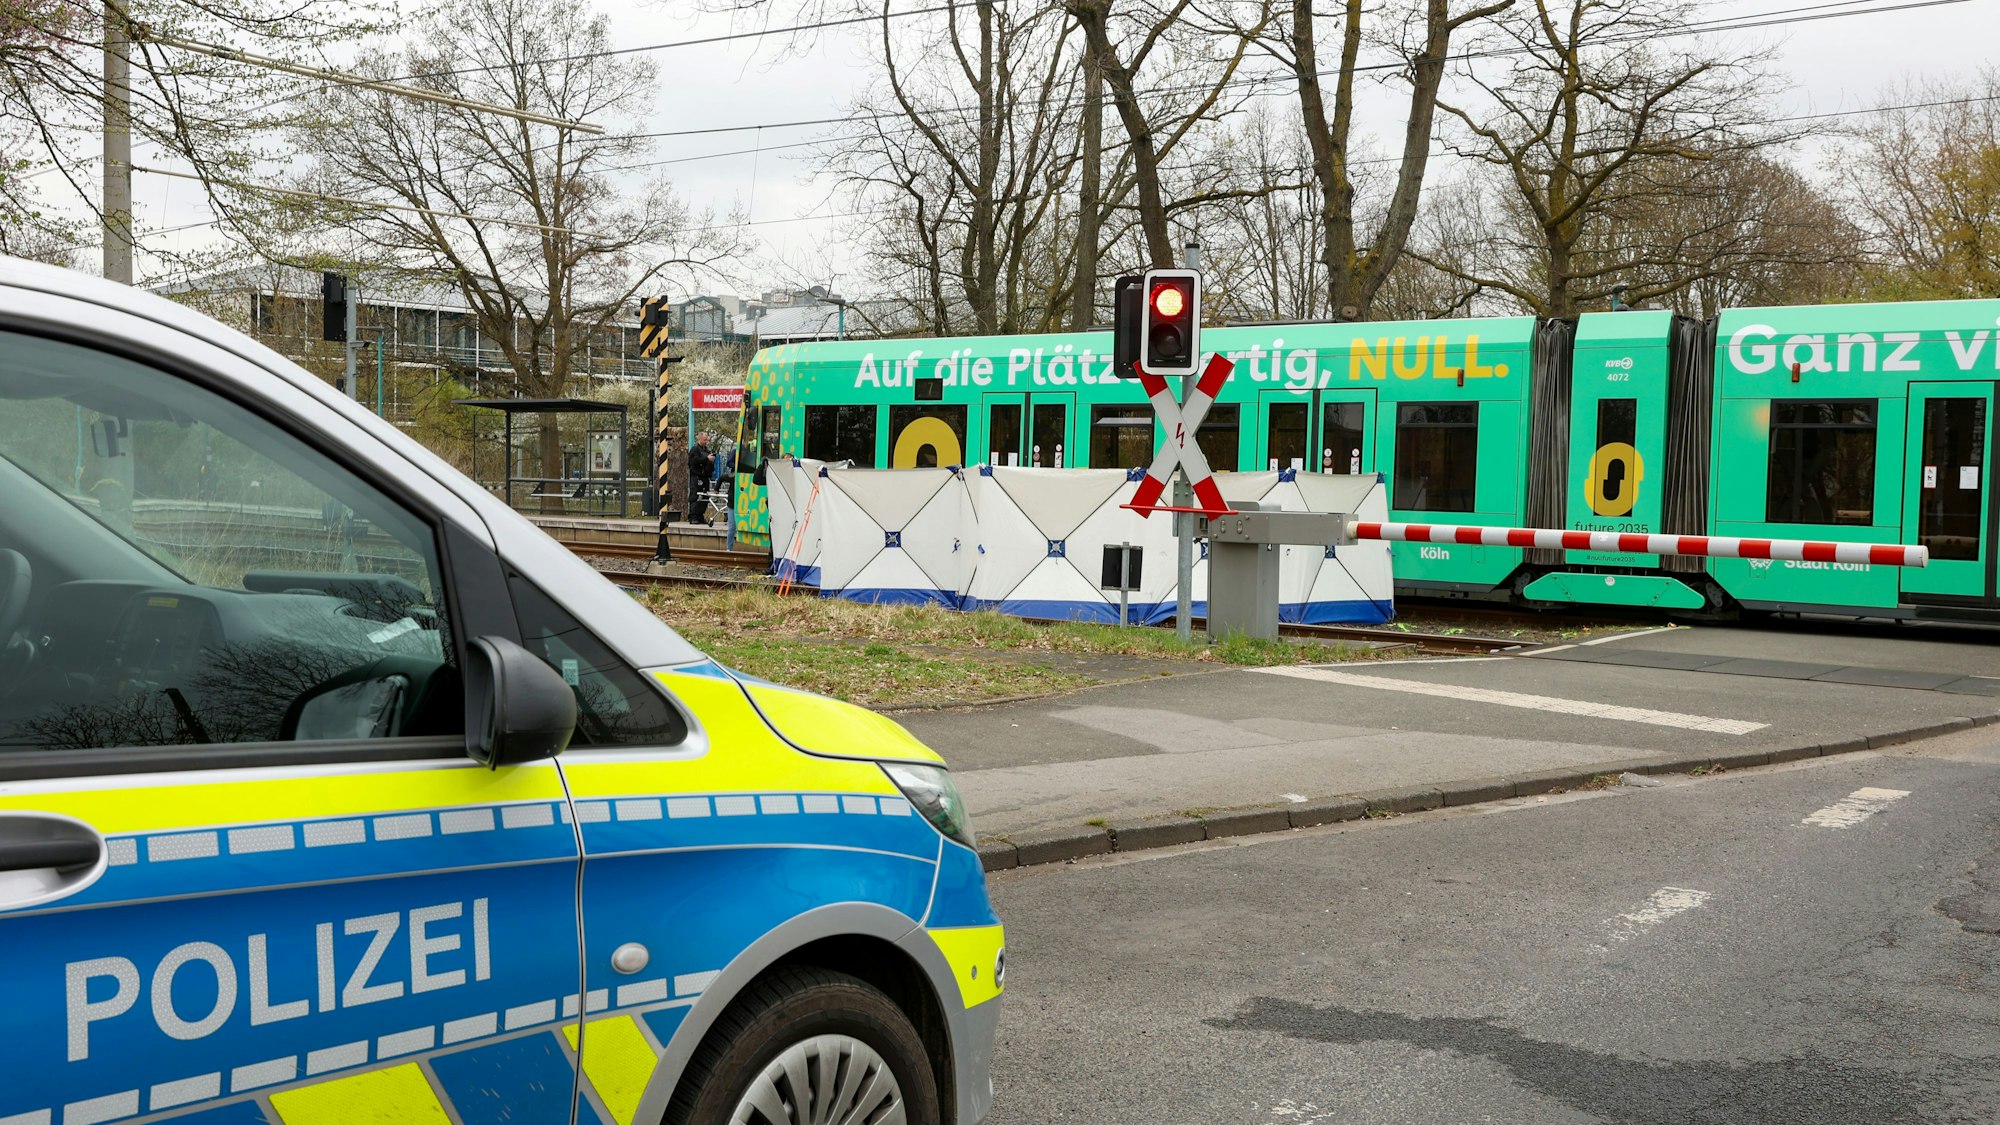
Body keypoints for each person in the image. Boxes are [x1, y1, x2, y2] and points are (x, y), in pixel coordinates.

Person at [687, 433, 713, 523]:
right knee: (695, 495)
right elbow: (694, 461)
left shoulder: (707, 450)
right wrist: (706, 459)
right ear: (700, 439)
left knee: (705, 496)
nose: (706, 442)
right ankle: (693, 516)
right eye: (704, 440)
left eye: (707, 440)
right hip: (696, 476)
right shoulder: (695, 449)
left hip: (705, 476)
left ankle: (700, 514)